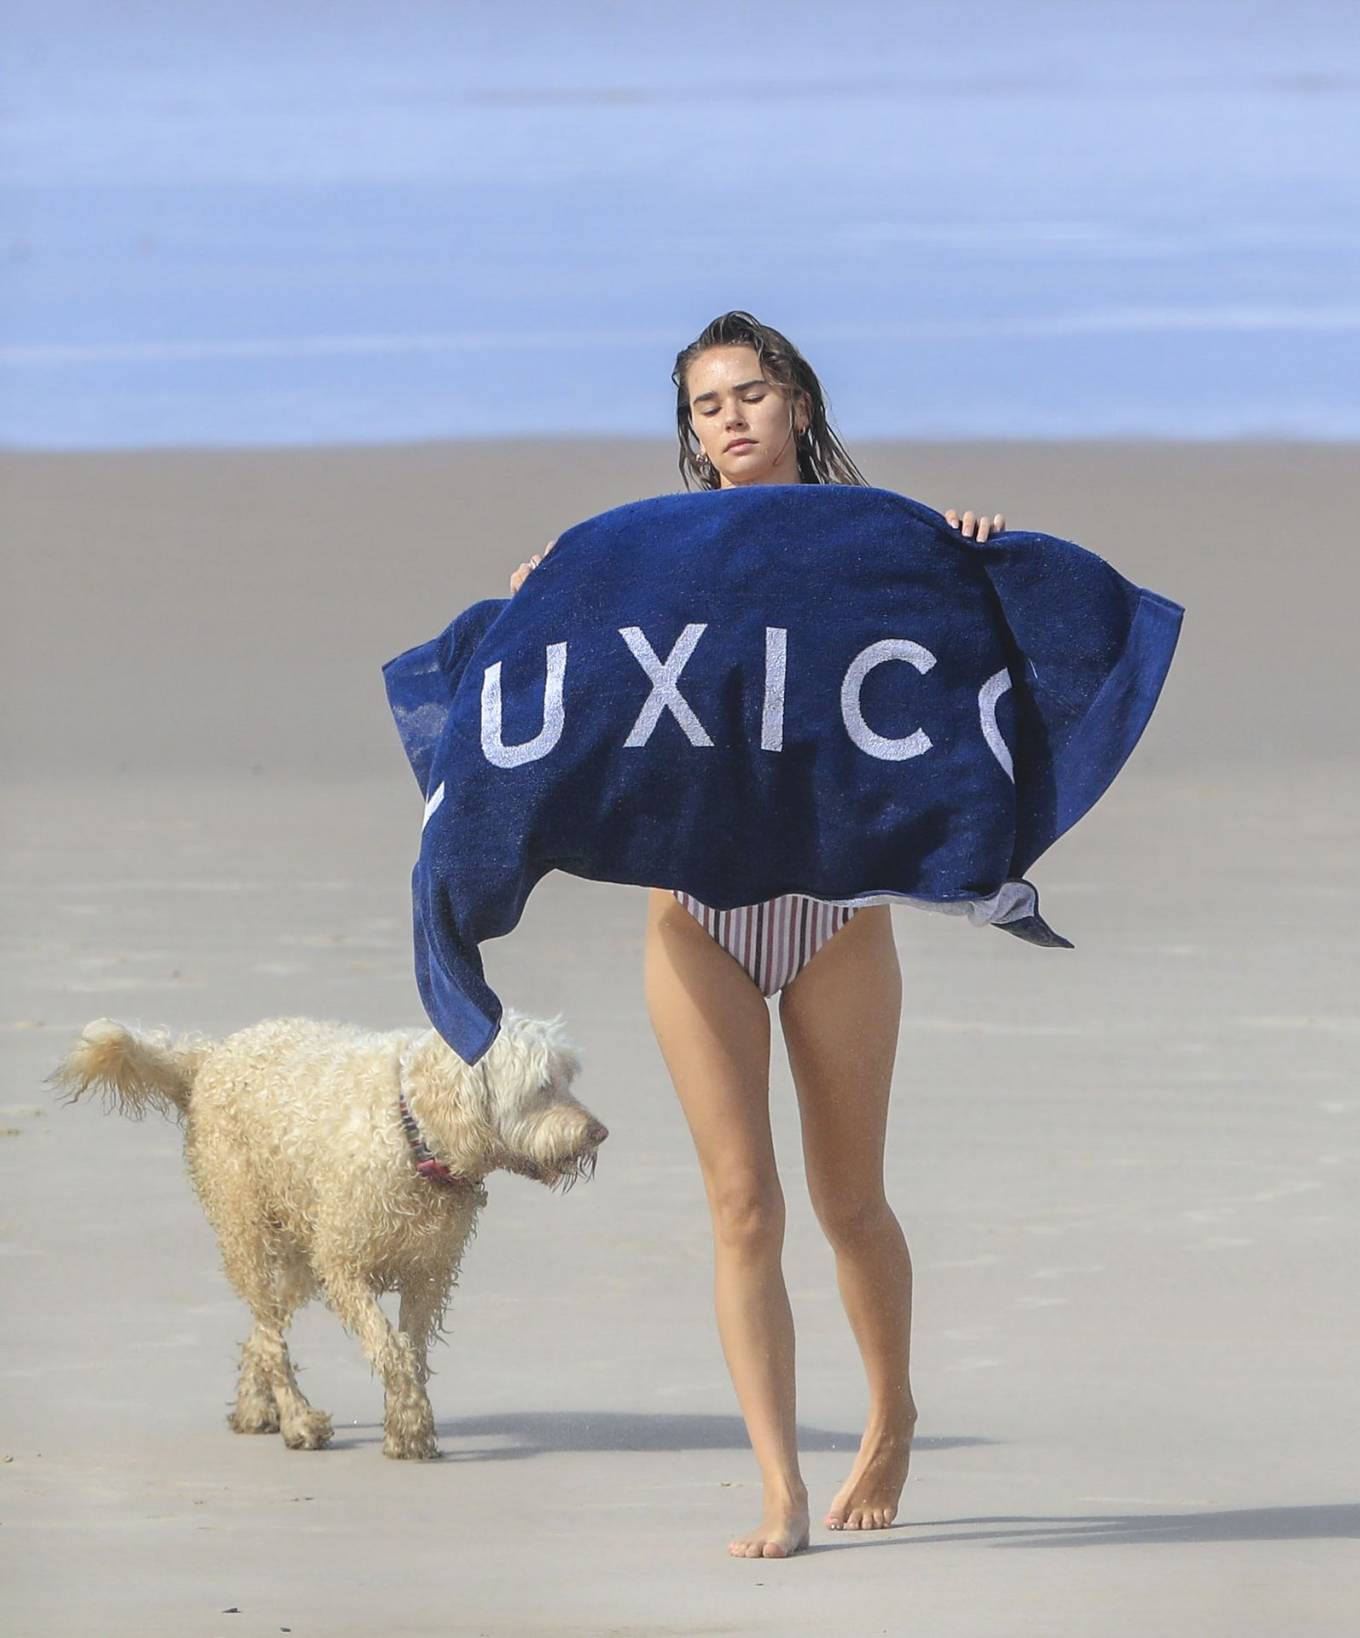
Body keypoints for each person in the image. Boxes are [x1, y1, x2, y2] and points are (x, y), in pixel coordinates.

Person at [510, 310, 1005, 1559]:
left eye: (747, 395)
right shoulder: (654, 557)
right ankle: (780, 1486)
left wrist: (979, 558)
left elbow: (956, 656)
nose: (727, 420)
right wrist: (536, 600)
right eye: (703, 407)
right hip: (694, 917)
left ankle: (888, 1415)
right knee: (742, 1208)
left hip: (833, 917)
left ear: (794, 401)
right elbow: (583, 663)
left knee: (850, 1207)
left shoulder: (874, 540)